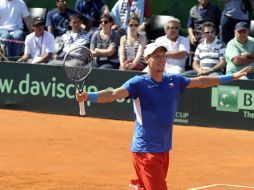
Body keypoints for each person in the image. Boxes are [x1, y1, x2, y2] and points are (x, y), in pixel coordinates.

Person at [76, 42, 251, 190]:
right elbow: (113, 94)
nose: (161, 59)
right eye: (156, 56)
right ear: (147, 59)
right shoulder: (138, 83)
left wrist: (231, 77)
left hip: (163, 149)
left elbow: (201, 82)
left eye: (163, 56)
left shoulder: (174, 81)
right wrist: (89, 96)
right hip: (145, 151)